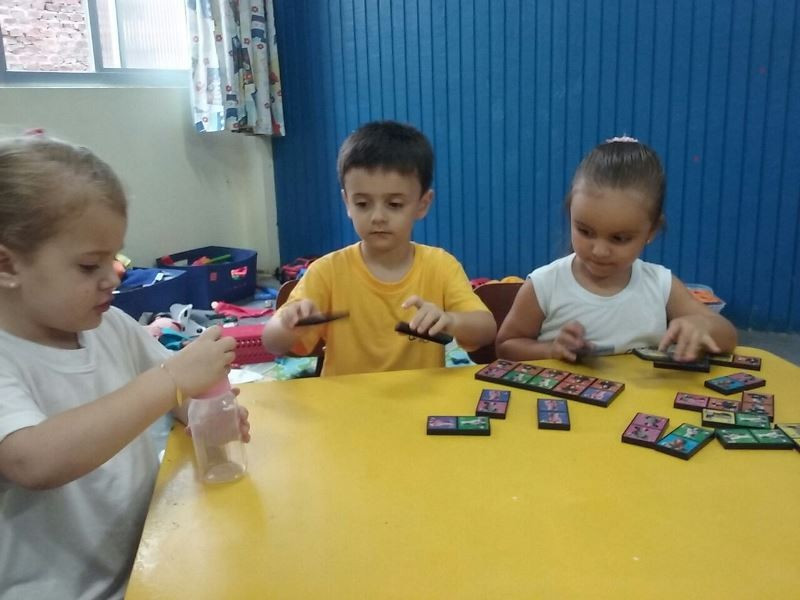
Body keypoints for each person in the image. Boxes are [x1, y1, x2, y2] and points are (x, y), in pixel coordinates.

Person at [0, 136, 250, 600]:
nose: (114, 275)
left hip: (144, 561)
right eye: (89, 265)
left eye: (114, 257)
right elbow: (31, 460)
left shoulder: (109, 324)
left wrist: (206, 412)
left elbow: (176, 395)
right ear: (6, 264)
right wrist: (172, 380)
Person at [261, 120, 496, 376]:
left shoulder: (440, 266)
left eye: (394, 204)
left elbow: (486, 329)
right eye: (362, 204)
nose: (378, 217)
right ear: (347, 202)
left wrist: (450, 320)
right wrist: (287, 324)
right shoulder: (327, 271)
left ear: (422, 204)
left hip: (421, 397)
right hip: (347, 397)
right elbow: (272, 343)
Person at [496, 136, 737, 363]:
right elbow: (505, 346)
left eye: (619, 238)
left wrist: (702, 326)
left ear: (652, 231)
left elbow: (728, 337)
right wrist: (551, 350)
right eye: (585, 231)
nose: (600, 251)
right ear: (571, 213)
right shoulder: (545, 285)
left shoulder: (661, 285)